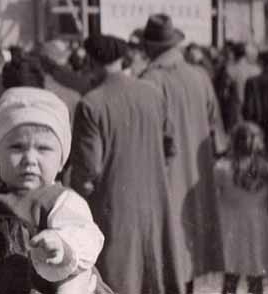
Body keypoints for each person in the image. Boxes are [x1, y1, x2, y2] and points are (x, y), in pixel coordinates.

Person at [0, 87, 107, 294]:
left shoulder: (60, 200)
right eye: (17, 147)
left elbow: (86, 234)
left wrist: (63, 246)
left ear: (61, 162)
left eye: (43, 149)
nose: (30, 159)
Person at [70, 34, 184, 294]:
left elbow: (89, 169)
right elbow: (171, 147)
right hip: (155, 203)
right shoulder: (152, 93)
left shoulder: (90, 104)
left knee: (117, 281)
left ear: (91, 62)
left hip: (113, 209)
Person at [139, 14, 225, 293]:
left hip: (165, 174)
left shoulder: (150, 80)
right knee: (190, 244)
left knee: (169, 245)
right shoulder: (200, 76)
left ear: (150, 47)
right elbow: (216, 128)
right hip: (196, 173)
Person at [213, 122, 268, 294]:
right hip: (257, 226)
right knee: (255, 276)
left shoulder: (222, 169)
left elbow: (214, 199)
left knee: (231, 276)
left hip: (231, 227)